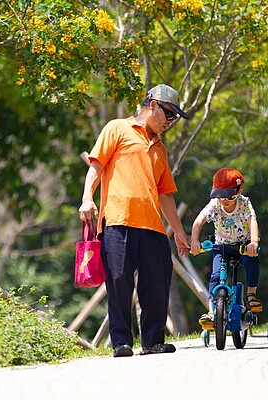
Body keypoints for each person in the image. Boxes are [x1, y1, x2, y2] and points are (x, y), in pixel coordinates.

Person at [78, 84, 191, 357]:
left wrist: (178, 231)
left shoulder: (160, 149)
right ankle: (121, 342)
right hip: (117, 220)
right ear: (152, 105)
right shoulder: (116, 128)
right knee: (119, 281)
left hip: (152, 225)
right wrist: (86, 198)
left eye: (174, 117)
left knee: (156, 283)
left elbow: (165, 194)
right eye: (169, 114)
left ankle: (153, 340)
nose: (170, 122)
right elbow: (96, 166)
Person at [189, 167, 262, 329]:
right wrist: (195, 240)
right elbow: (199, 221)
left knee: (252, 261)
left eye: (230, 196)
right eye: (220, 196)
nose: (225, 200)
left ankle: (251, 293)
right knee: (215, 276)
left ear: (239, 191)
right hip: (222, 247)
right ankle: (211, 312)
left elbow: (252, 221)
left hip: (243, 246)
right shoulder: (215, 205)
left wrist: (254, 242)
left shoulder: (244, 203)